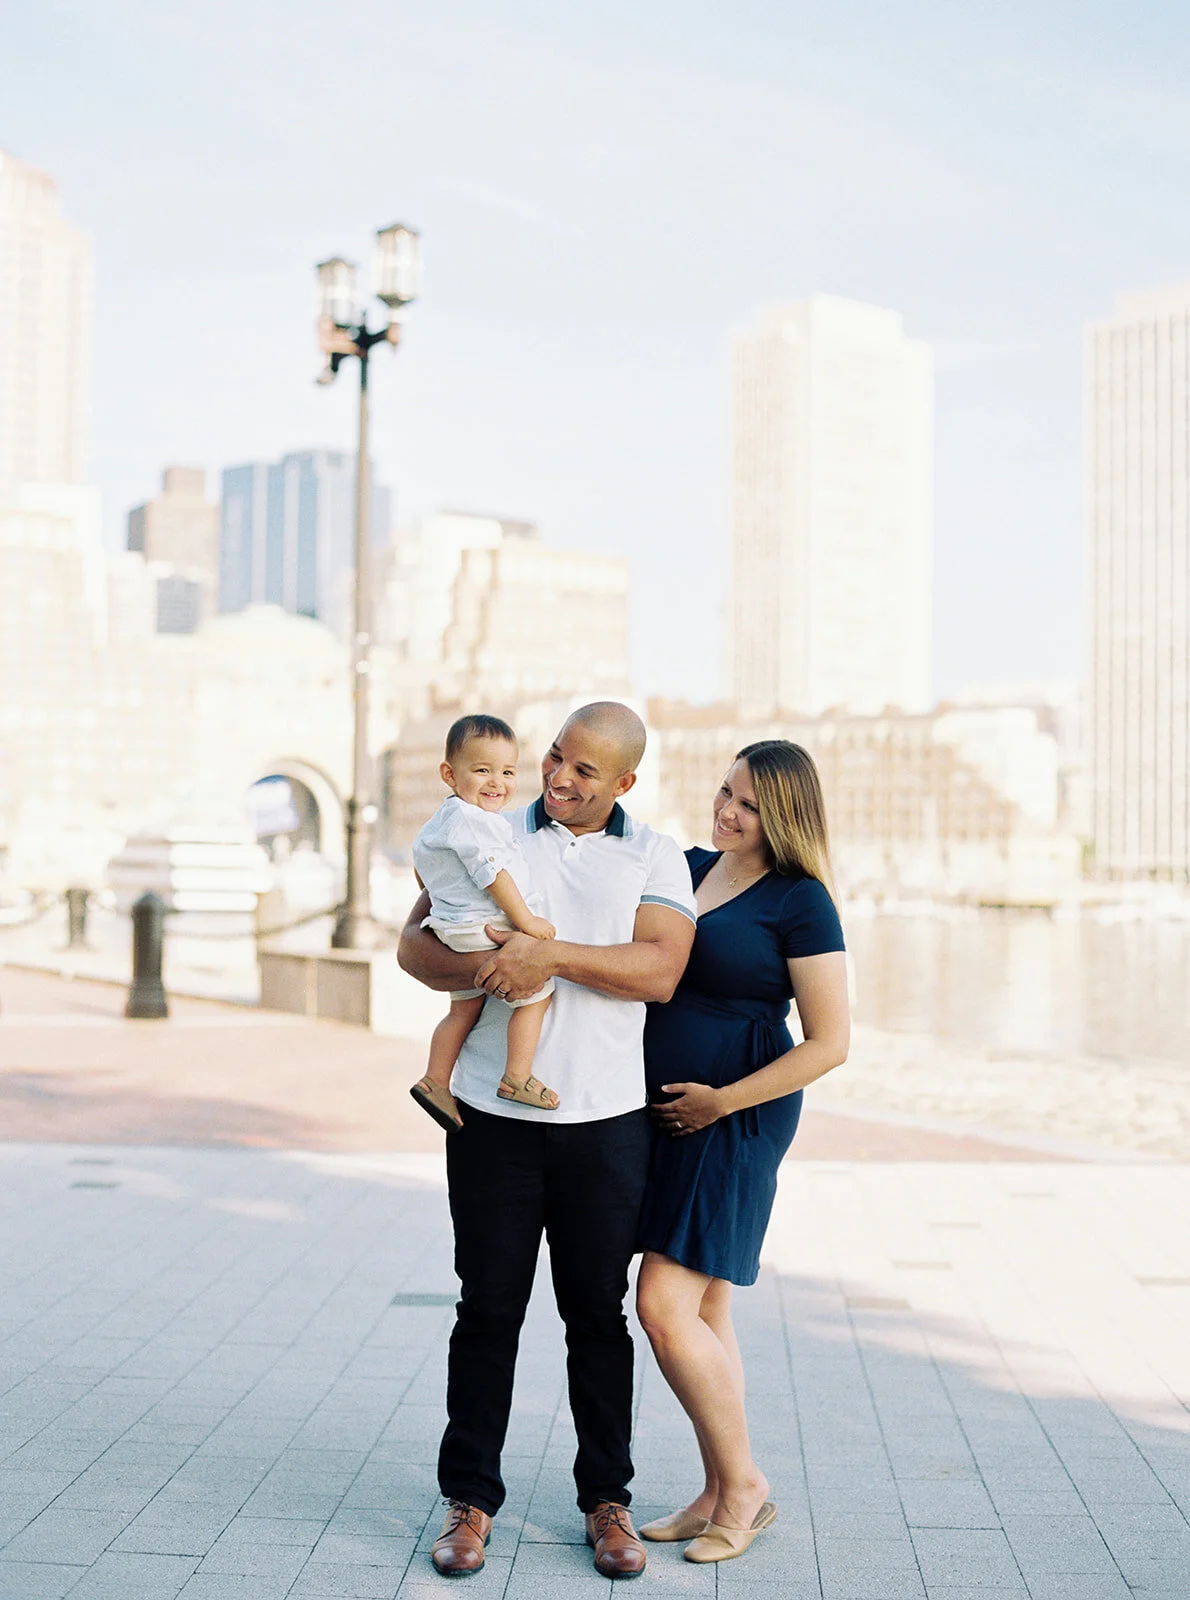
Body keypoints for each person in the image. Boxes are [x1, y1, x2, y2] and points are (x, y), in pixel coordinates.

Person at [397, 702, 697, 1580]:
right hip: (491, 1122)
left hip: (606, 1124)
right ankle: (469, 1502)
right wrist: (497, 966)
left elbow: (661, 970)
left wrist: (550, 956)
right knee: (486, 1312)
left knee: (597, 1319)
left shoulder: (656, 855)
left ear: (624, 783)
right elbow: (414, 948)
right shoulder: (487, 825)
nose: (559, 778)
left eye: (584, 770)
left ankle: (607, 1502)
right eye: (556, 757)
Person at [634, 741, 850, 1565]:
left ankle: (746, 1486)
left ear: (785, 816)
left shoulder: (801, 901)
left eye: (750, 805)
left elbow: (830, 1043)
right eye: (726, 791)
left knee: (663, 1305)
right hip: (667, 1117)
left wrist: (720, 1101)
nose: (727, 811)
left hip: (735, 1116)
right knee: (707, 1310)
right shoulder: (686, 867)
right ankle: (717, 1491)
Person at [409, 713, 560, 1135]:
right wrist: (526, 921)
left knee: (464, 1008)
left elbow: (423, 868)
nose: (497, 782)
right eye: (482, 771)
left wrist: (446, 900)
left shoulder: (444, 818)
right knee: (538, 990)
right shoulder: (474, 821)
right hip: (484, 926)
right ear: (449, 774)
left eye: (507, 772)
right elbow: (492, 872)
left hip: (454, 928)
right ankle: (516, 1076)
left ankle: (435, 1080)